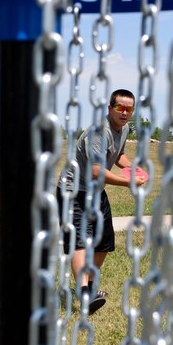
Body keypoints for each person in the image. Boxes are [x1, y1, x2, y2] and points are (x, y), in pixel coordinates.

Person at [57, 88, 147, 316]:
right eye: (120, 108)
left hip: (95, 192)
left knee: (104, 242)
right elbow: (97, 171)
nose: (125, 113)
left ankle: (87, 285)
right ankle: (85, 295)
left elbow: (118, 155)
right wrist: (128, 184)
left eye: (129, 109)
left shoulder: (123, 129)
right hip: (73, 191)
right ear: (110, 108)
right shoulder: (100, 132)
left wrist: (132, 168)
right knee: (78, 242)